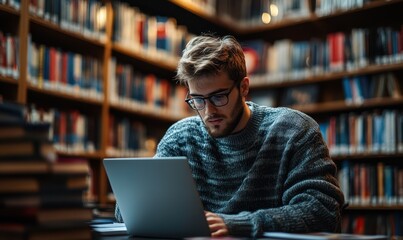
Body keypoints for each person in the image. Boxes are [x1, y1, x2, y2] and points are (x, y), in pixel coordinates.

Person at [115, 34, 345, 237]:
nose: (208, 111)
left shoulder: (293, 130)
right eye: (197, 99)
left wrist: (239, 224)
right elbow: (129, 211)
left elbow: (323, 210)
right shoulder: (181, 137)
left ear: (244, 87)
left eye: (218, 97)